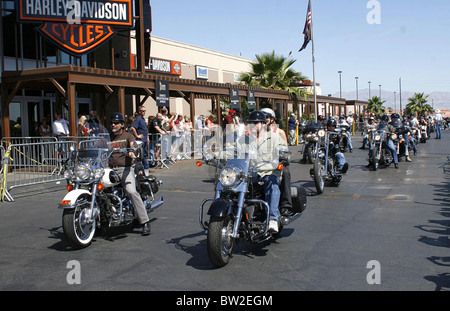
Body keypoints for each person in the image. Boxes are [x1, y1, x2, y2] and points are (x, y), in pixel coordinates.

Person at [238, 111, 288, 233]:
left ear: (263, 124)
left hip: (269, 172)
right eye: (250, 123)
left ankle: (273, 219)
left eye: (255, 123)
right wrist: (216, 154)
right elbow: (233, 151)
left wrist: (283, 155)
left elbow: (284, 149)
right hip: (250, 173)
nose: (252, 125)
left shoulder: (275, 138)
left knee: (272, 183)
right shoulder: (243, 140)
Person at [108, 112, 151, 236]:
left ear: (122, 124)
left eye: (116, 123)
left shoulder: (128, 136)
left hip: (125, 168)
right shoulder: (107, 138)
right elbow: (96, 147)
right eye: (111, 123)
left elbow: (133, 146)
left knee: (131, 191)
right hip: (109, 170)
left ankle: (145, 222)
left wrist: (132, 152)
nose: (113, 124)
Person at [261, 108, 293, 217]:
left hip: (275, 163)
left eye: (266, 117)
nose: (264, 120)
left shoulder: (279, 132)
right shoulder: (256, 132)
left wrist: (282, 158)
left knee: (285, 173)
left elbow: (285, 150)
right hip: (259, 163)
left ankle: (285, 205)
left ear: (272, 119)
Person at [131, 106, 150, 174]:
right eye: (142, 111)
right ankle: (144, 169)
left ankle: (145, 170)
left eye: (145, 111)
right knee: (140, 156)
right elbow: (133, 128)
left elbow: (145, 130)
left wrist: (147, 138)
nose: (144, 112)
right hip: (140, 141)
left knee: (144, 155)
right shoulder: (138, 119)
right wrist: (137, 135)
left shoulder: (143, 119)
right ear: (139, 112)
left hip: (144, 140)